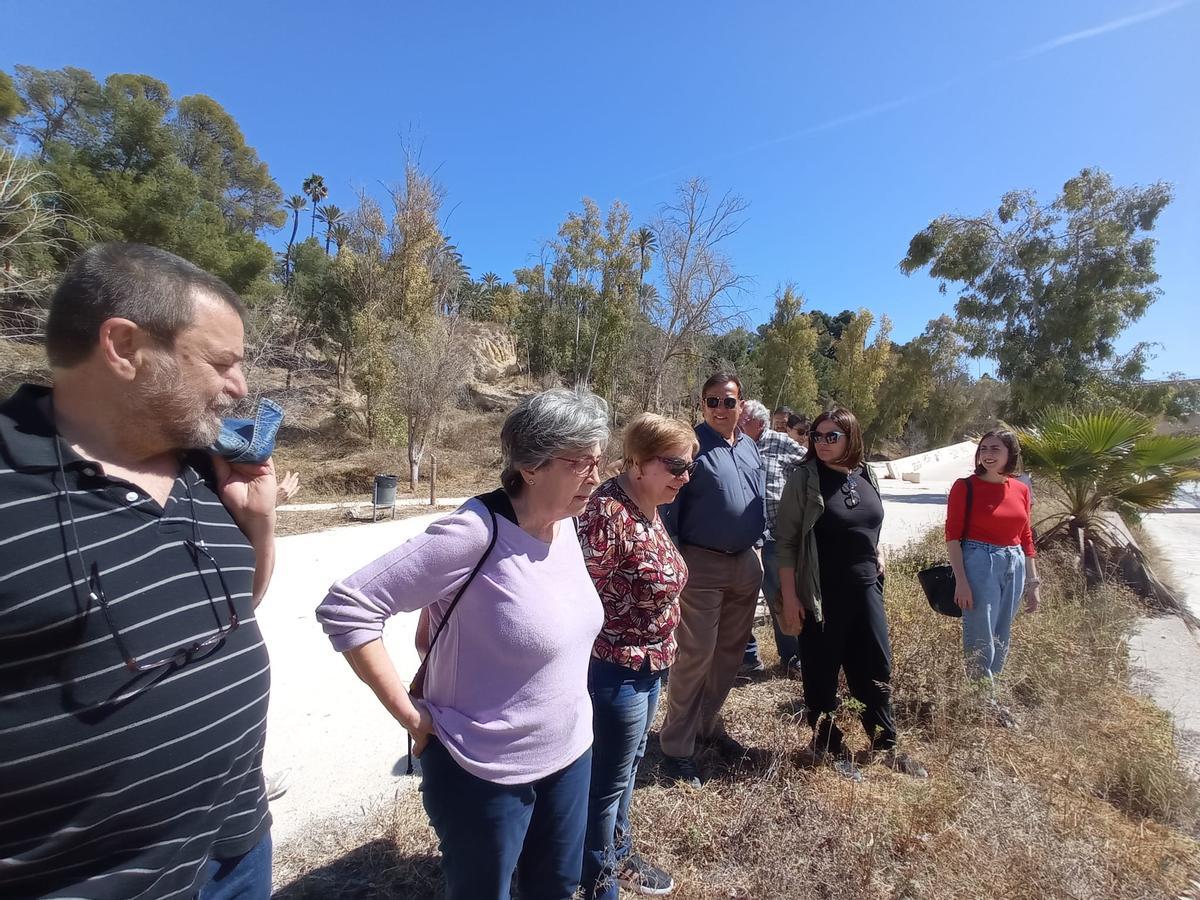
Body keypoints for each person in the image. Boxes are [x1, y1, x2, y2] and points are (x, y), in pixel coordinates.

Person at [0, 243, 278, 899]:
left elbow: (240, 609)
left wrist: (257, 524)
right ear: (123, 347)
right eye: (220, 363)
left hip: (236, 848)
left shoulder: (205, 467)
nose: (239, 388)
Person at [316, 389, 609, 900]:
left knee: (557, 888)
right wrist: (411, 716)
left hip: (570, 754)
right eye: (579, 462)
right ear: (530, 465)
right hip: (483, 770)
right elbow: (349, 606)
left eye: (598, 461)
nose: (595, 476)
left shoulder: (566, 525)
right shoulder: (474, 533)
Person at [577, 413, 696, 899]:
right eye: (675, 466)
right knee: (606, 783)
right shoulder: (607, 513)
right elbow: (580, 596)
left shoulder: (648, 504)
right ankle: (599, 880)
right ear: (640, 462)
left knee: (627, 768)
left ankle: (619, 857)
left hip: (651, 664)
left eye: (690, 468)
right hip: (615, 670)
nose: (684, 478)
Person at [776, 408, 925, 777]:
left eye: (832, 436)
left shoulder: (866, 473)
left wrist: (877, 551)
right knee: (822, 668)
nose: (822, 442)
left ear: (851, 437)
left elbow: (869, 522)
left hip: (867, 588)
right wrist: (790, 598)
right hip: (821, 593)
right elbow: (787, 542)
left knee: (875, 663)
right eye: (817, 436)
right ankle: (828, 743)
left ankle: (885, 742)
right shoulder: (805, 479)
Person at [658, 373, 765, 787]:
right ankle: (677, 746)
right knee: (695, 656)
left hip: (746, 563)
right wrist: (675, 560)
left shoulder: (751, 447)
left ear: (742, 405)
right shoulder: (692, 448)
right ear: (701, 405)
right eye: (711, 401)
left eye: (728, 401)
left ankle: (708, 725)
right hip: (701, 565)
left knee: (729, 656)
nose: (720, 409)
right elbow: (670, 510)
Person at [946, 430, 1040, 726]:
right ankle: (982, 702)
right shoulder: (965, 487)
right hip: (979, 560)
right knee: (980, 633)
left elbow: (1025, 536)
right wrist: (961, 580)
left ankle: (989, 695)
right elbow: (952, 536)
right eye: (983, 448)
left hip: (1014, 562)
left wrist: (1033, 583)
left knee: (1002, 632)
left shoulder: (1021, 489)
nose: (987, 454)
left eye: (995, 449)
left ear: (1010, 454)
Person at [738, 400, 806, 677]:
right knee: (742, 602)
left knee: (780, 597)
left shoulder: (781, 443)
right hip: (745, 539)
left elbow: (810, 465)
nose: (738, 423)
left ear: (759, 423)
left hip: (778, 538)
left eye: (743, 420)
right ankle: (747, 659)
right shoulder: (737, 445)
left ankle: (792, 658)